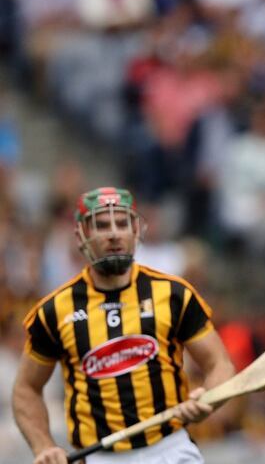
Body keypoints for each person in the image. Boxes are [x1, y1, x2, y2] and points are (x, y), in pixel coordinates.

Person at [13, 187, 236, 464]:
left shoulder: (175, 294)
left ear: (136, 230)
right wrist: (43, 446)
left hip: (170, 449)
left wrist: (209, 398)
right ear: (81, 235)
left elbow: (220, 364)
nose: (114, 234)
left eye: (122, 223)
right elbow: (25, 390)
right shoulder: (54, 311)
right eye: (102, 225)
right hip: (99, 457)